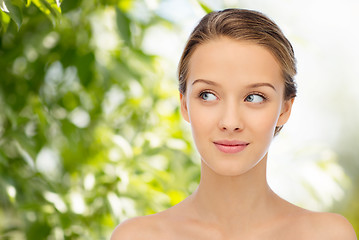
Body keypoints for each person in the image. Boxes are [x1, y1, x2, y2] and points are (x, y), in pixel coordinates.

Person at [111, 9, 357, 239]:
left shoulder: (327, 235)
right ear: (185, 105)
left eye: (254, 97)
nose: (230, 122)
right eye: (207, 95)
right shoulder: (138, 236)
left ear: (285, 109)